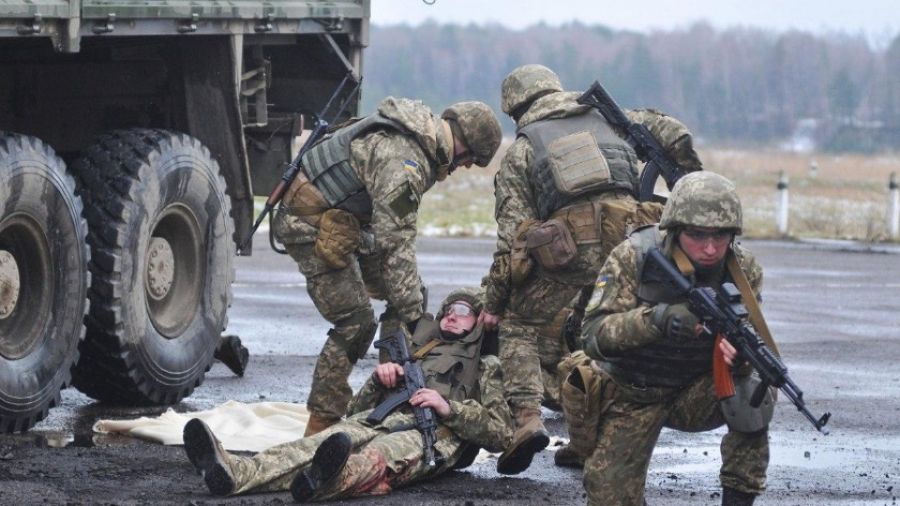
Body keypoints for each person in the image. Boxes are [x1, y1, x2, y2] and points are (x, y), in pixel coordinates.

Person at [478, 64, 701, 474]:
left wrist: (494, 302)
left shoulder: (523, 149)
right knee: (596, 332)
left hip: (568, 251)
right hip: (631, 242)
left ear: (516, 108)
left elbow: (512, 241)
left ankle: (527, 420)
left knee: (519, 324)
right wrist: (690, 178)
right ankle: (588, 441)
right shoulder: (611, 120)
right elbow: (674, 132)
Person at [273, 97, 503, 436]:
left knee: (409, 293)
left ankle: (394, 385)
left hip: (344, 222)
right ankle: (321, 422)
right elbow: (396, 243)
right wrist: (414, 320)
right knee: (355, 322)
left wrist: (409, 307)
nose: (466, 167)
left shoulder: (417, 138)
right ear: (464, 144)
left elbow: (392, 245)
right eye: (471, 160)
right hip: (308, 225)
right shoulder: (406, 160)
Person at [182, 288, 513, 502]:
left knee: (377, 458)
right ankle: (234, 473)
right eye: (448, 310)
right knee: (313, 445)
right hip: (380, 418)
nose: (452, 314)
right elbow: (356, 411)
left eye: (463, 310)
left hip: (432, 436)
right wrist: (378, 380)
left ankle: (322, 482)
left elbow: (500, 433)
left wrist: (448, 408)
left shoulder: (486, 365)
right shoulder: (418, 354)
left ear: (479, 322)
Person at [578, 171, 771, 506]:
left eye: (721, 235)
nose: (710, 248)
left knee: (754, 392)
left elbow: (747, 336)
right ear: (675, 229)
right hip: (633, 392)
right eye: (697, 235)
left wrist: (739, 356)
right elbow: (592, 336)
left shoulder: (743, 269)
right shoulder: (634, 256)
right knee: (611, 498)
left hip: (696, 392)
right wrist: (657, 320)